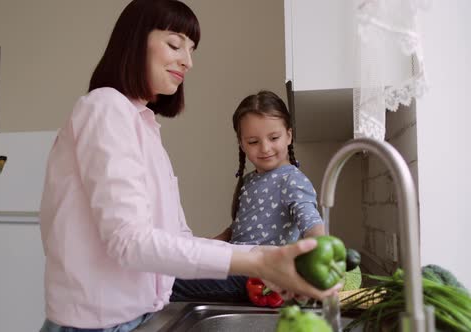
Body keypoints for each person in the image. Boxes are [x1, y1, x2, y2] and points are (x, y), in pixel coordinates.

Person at [39, 1, 340, 331]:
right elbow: (129, 241)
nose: (188, 61)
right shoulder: (105, 107)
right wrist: (260, 261)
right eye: (174, 44)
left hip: (139, 318)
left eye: (191, 49)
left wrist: (269, 262)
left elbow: (176, 237)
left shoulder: (146, 127)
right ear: (136, 40)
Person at [171, 90, 325, 303]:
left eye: (274, 138)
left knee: (166, 281)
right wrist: (199, 249)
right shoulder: (250, 181)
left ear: (289, 136)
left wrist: (321, 258)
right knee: (169, 269)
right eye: (253, 141)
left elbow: (312, 223)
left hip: (261, 278)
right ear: (242, 144)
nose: (265, 148)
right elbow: (236, 231)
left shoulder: (292, 180)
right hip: (238, 265)